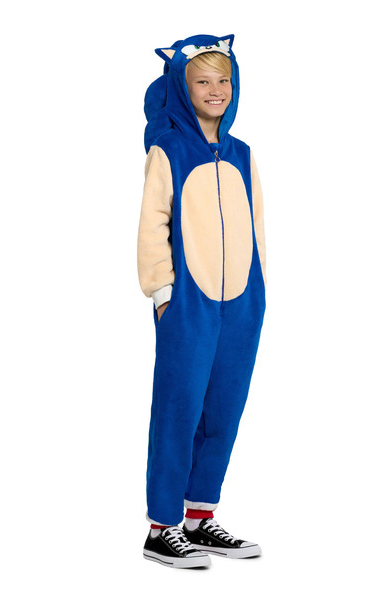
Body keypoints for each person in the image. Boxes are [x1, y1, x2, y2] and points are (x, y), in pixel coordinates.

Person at [137, 34, 267, 569]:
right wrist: (162, 292)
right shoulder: (169, 150)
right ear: (182, 87)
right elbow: (153, 222)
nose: (216, 90)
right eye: (203, 81)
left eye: (224, 80)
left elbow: (257, 222)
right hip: (187, 300)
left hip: (242, 300)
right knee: (179, 408)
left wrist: (259, 287)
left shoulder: (242, 153)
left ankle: (200, 518)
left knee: (224, 409)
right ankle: (161, 527)